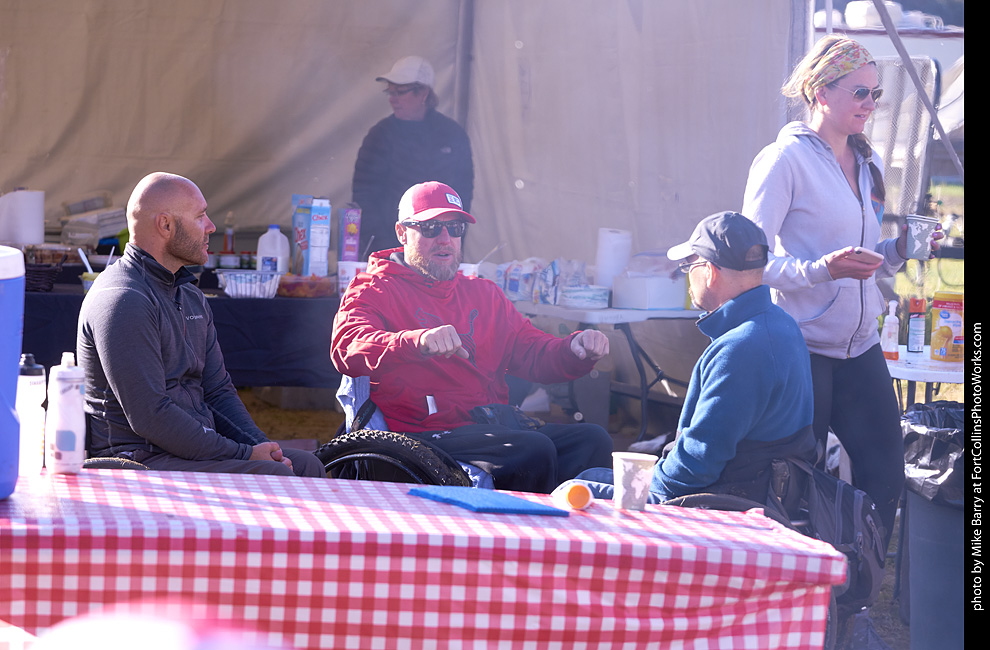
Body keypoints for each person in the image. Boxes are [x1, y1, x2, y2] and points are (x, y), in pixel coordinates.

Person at [741, 36, 941, 548]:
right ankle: (799, 582)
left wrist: (899, 249)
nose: (870, 104)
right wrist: (821, 271)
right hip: (801, 347)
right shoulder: (782, 160)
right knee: (796, 482)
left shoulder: (867, 163)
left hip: (859, 345)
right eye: (860, 92)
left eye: (876, 94)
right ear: (820, 93)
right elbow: (749, 262)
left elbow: (866, 258)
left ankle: (857, 585)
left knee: (885, 472)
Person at [331, 181, 613, 493]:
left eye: (454, 228)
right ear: (402, 233)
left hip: (486, 424)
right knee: (531, 450)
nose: (445, 238)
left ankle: (576, 524)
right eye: (430, 228)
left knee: (592, 439)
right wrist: (416, 341)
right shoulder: (374, 288)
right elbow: (347, 345)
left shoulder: (484, 293)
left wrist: (573, 349)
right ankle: (518, 526)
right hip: (418, 434)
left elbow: (532, 351)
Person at [77, 172, 325, 477]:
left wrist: (262, 447)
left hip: (189, 453)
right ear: (165, 225)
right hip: (136, 459)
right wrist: (244, 454)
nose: (211, 226)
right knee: (276, 476)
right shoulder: (123, 299)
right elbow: (151, 416)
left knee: (306, 465)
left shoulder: (189, 294)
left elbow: (218, 391)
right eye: (200, 216)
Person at [572, 212, 817, 505]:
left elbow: (696, 465)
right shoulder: (780, 323)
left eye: (689, 266)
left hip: (728, 502)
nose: (687, 276)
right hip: (762, 490)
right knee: (592, 476)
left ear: (709, 272)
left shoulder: (741, 348)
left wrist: (649, 484)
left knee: (576, 487)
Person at [352, 55, 474, 256]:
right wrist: (386, 249)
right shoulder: (379, 135)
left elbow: (463, 197)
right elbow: (363, 197)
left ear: (423, 93)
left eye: (400, 92)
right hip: (390, 250)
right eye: (390, 92)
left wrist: (450, 241)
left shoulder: (452, 135)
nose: (392, 99)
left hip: (440, 248)